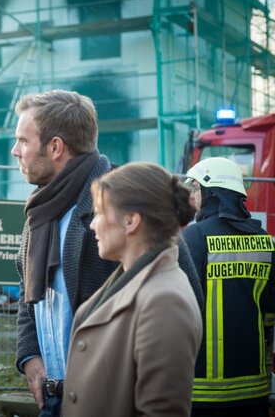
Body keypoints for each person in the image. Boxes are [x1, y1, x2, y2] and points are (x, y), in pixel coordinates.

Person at [10, 89, 203, 416]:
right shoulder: (41, 208)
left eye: (23, 141)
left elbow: (184, 298)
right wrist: (30, 356)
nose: (16, 151)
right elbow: (28, 290)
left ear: (55, 147)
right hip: (55, 400)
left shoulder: (126, 202)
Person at [62, 162, 203, 416]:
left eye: (99, 212)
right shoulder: (131, 278)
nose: (93, 224)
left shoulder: (165, 301)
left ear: (131, 221)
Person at [182, 157, 275, 417]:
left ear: (212, 193)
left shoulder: (195, 236)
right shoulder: (264, 240)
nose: (193, 197)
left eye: (197, 189)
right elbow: (269, 315)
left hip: (202, 392)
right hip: (254, 390)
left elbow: (178, 309)